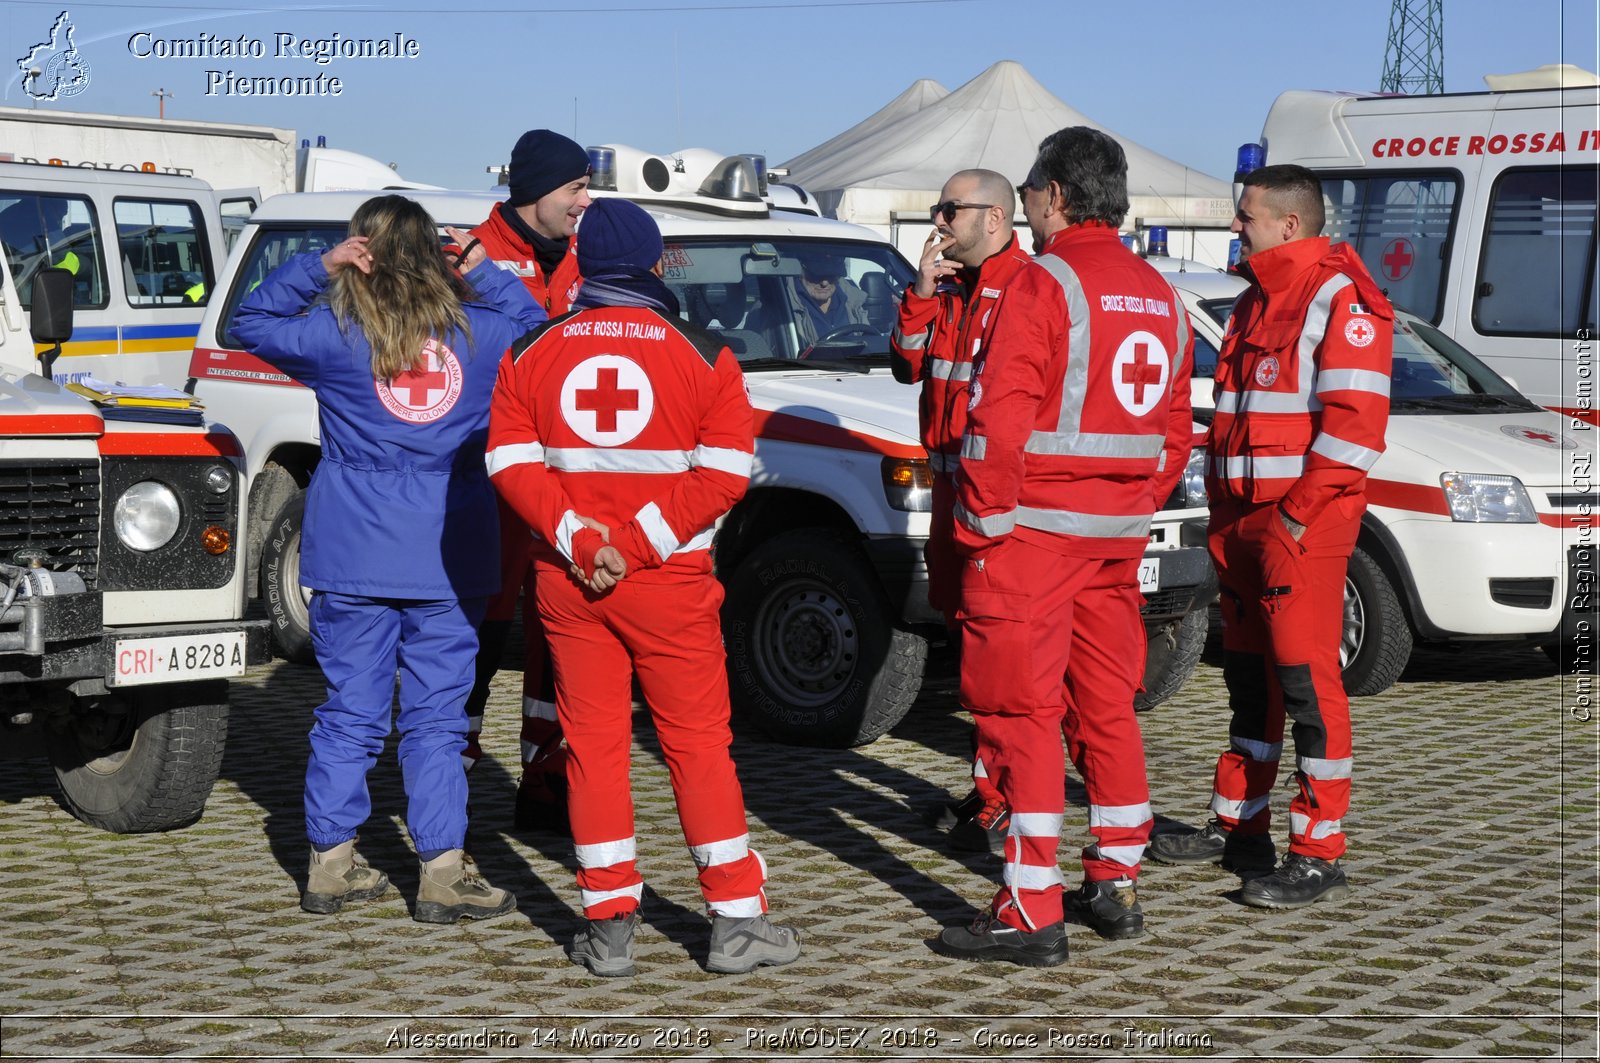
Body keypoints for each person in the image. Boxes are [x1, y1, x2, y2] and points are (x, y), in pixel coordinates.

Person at [487, 197, 801, 976]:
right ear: (656, 264)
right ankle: (734, 920)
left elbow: (507, 463)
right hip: (669, 584)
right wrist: (635, 546)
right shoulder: (705, 356)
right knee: (698, 747)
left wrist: (583, 541)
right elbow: (726, 476)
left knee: (592, 750)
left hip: (570, 581)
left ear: (583, 264)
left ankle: (608, 926)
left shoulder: (532, 351)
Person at [232, 194, 546, 922]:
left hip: (352, 552)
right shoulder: (484, 334)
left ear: (362, 250)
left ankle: (331, 864)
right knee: (436, 719)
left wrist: (318, 265)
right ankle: (440, 870)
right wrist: (485, 270)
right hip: (449, 549)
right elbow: (545, 330)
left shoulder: (335, 333)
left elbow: (249, 322)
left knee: (351, 712)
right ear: (436, 253)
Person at [933, 128, 1194, 967]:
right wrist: (1126, 505)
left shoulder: (1044, 283)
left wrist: (981, 525)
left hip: (1030, 541)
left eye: (1033, 190)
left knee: (1020, 717)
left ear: (1053, 196)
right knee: (1107, 710)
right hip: (1112, 542)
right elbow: (1176, 432)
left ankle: (1027, 907)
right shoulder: (1161, 290)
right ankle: (1115, 880)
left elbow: (997, 418)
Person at [1146, 164, 1392, 909]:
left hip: (1300, 525)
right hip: (1245, 522)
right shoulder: (1257, 298)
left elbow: (1355, 433)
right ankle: (1239, 825)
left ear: (1290, 224)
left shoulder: (1339, 298)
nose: (1233, 226)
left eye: (1244, 215)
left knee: (1306, 683)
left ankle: (1319, 849)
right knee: (1249, 678)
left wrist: (1293, 517)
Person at [888, 169, 1032, 853]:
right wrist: (920, 292)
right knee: (970, 645)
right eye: (937, 208)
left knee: (999, 656)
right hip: (950, 496)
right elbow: (907, 366)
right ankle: (990, 785)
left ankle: (1009, 797)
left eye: (951, 209)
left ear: (995, 219)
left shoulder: (1025, 291)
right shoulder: (946, 290)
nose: (938, 221)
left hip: (1000, 504)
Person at [461, 128, 593, 833]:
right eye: (575, 187)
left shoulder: (583, 258)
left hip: (557, 483)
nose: (585, 200)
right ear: (538, 190)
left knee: (555, 640)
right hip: (481, 479)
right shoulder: (469, 257)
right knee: (477, 634)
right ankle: (447, 777)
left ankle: (544, 780)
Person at [789, 252, 867, 349]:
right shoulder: (786, 304)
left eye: (831, 274)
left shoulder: (853, 302)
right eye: (816, 275)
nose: (824, 283)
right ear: (800, 270)